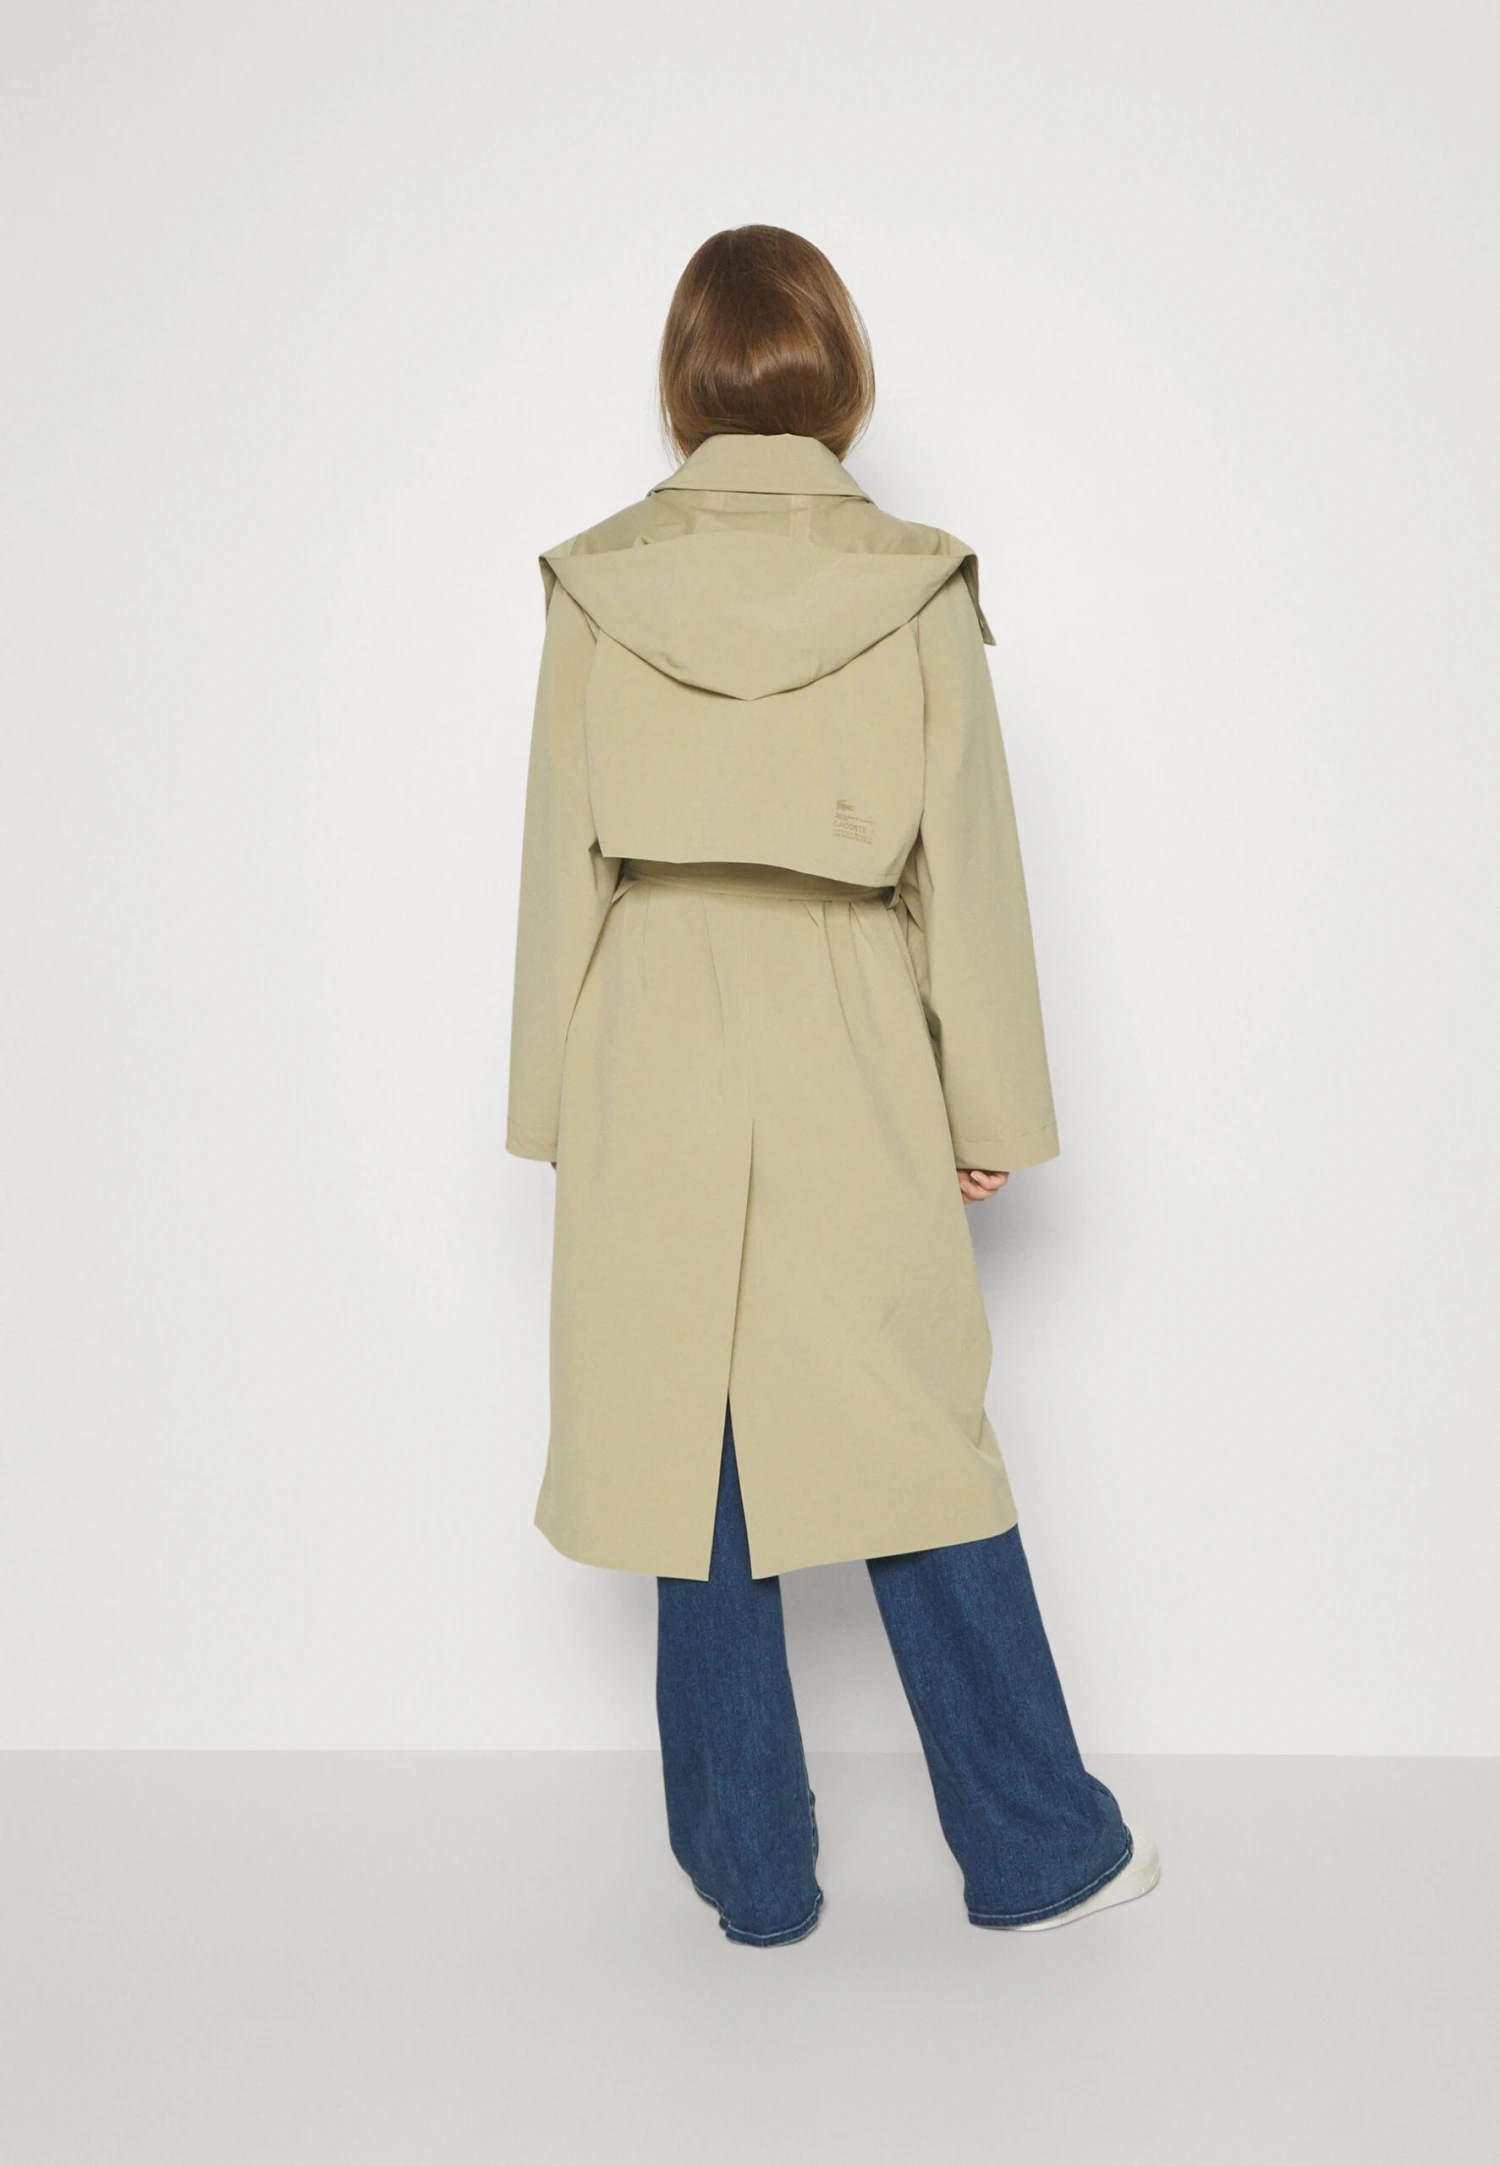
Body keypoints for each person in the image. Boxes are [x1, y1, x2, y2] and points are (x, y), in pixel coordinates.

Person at [507, 224, 1160, 1946]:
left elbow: (560, 864)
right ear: (839, 374)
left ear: (684, 381)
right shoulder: (915, 583)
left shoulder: (596, 582)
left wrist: (556, 1110)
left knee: (693, 1440)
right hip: (852, 1013)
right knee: (908, 1430)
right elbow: (969, 867)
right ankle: (1036, 1847)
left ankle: (750, 1873)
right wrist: (986, 1104)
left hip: (648, 1019)